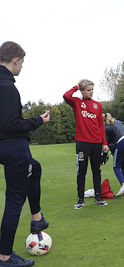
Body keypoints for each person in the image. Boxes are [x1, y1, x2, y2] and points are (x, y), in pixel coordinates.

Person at [0, 41, 50, 266]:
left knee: (35, 168)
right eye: (23, 62)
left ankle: (37, 218)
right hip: (13, 147)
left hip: (5, 147)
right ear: (16, 60)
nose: (22, 67)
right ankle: (5, 257)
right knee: (14, 200)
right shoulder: (8, 87)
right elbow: (10, 123)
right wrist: (38, 120)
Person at [63, 79, 109, 209]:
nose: (91, 92)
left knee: (96, 171)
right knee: (81, 171)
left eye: (92, 89)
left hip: (97, 143)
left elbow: (101, 125)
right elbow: (66, 96)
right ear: (82, 91)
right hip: (82, 143)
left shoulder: (97, 106)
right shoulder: (77, 103)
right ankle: (80, 200)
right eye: (88, 90)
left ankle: (98, 198)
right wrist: (76, 87)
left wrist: (104, 143)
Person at [104, 113, 124, 197]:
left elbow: (106, 142)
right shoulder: (119, 122)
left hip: (122, 141)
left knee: (116, 167)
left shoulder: (106, 126)